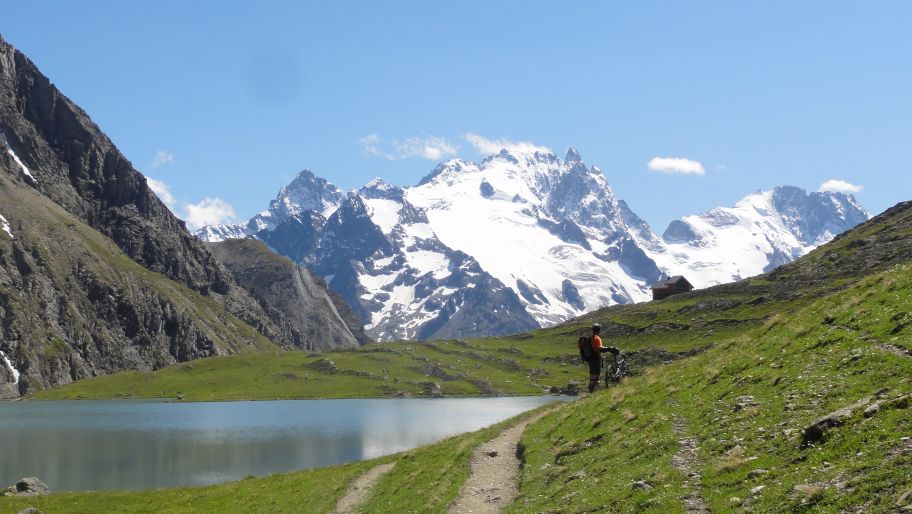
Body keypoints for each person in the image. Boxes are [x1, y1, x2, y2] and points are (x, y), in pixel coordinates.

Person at [587, 323, 620, 393]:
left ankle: (591, 389)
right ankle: (595, 390)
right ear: (599, 330)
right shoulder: (596, 338)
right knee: (596, 374)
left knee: (592, 374)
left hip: (590, 359)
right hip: (595, 358)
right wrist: (609, 349)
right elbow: (599, 348)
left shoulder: (590, 338)